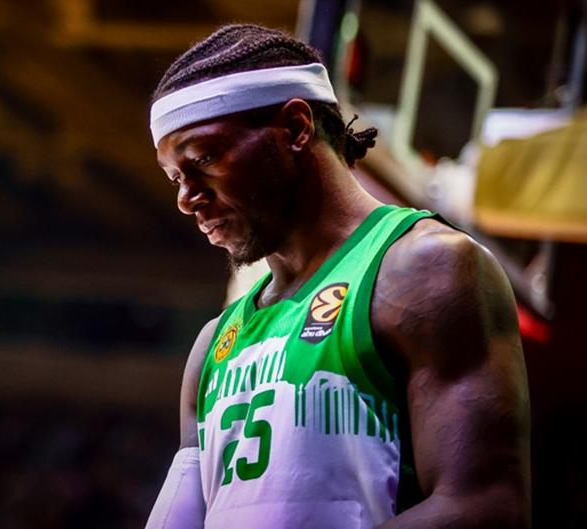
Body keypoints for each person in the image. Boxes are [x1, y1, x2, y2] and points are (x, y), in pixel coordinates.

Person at [144, 24, 530, 529]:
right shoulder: (214, 344)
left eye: (204, 159)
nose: (186, 198)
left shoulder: (426, 270)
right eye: (176, 177)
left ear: (295, 128)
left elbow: (486, 507)